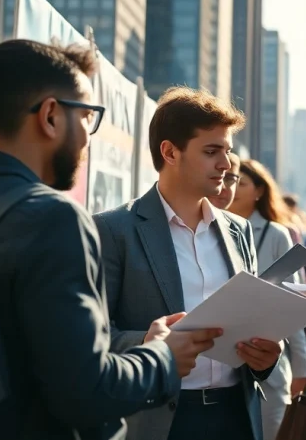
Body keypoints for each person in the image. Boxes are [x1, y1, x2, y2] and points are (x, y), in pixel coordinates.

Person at [0, 30, 215, 439]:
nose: (86, 139)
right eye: (87, 116)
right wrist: (163, 357)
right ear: (51, 116)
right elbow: (87, 391)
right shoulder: (54, 219)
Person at [95, 87, 282, 440]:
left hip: (237, 417)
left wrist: (266, 356)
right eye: (212, 151)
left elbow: (254, 320)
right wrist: (148, 342)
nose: (226, 165)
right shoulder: (112, 230)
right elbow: (95, 338)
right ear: (170, 152)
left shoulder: (238, 229)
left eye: (227, 151)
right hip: (157, 419)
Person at [229, 158, 306, 439]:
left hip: (269, 362)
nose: (233, 187)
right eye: (231, 180)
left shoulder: (276, 234)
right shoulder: (211, 229)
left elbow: (294, 302)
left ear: (259, 191)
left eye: (241, 182)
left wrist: (303, 368)